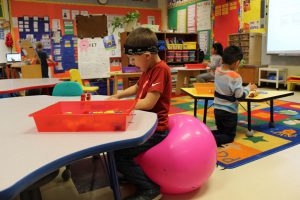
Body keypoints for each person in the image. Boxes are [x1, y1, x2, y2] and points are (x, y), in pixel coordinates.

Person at [108, 27, 171, 200]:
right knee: (113, 147)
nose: (133, 63)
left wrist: (124, 105)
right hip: (144, 124)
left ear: (147, 56)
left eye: (133, 59)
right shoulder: (148, 69)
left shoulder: (161, 70)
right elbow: (137, 87)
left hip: (156, 129)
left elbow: (149, 103)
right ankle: (128, 174)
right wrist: (119, 95)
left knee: (120, 154)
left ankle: (150, 188)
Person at [212, 45, 257, 147]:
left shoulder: (217, 71)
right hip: (229, 112)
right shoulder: (235, 76)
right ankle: (209, 140)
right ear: (237, 62)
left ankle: (206, 135)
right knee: (229, 136)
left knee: (220, 131)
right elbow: (240, 96)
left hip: (217, 110)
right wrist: (249, 88)